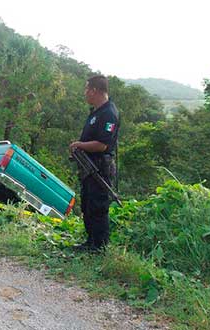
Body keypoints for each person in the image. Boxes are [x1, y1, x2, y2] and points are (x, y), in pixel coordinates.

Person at [69, 75, 119, 252]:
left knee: (98, 207)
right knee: (88, 205)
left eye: (86, 89)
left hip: (100, 168)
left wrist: (79, 145)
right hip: (88, 168)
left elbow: (102, 144)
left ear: (95, 90)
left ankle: (99, 246)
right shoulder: (97, 111)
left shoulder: (108, 113)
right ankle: (90, 242)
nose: (85, 93)